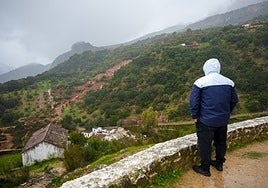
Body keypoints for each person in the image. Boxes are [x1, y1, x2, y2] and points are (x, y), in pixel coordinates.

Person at [190, 58, 238, 177]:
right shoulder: (229, 82)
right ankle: (219, 163)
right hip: (223, 120)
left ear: (205, 68)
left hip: (205, 121)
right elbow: (234, 100)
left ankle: (205, 168)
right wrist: (227, 112)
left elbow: (194, 102)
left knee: (205, 144)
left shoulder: (200, 82)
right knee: (221, 142)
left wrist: (195, 116)